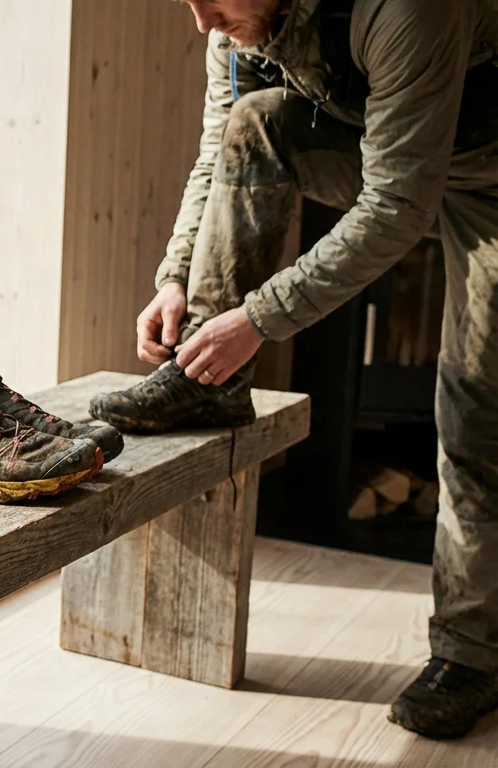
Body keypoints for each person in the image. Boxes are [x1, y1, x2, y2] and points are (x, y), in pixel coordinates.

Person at [87, 0, 498, 740]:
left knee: (477, 418)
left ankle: (473, 658)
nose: (204, 22)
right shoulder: (237, 25)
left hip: (492, 179)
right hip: (394, 154)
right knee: (258, 123)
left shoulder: (405, 9)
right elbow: (223, 146)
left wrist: (259, 320)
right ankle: (207, 386)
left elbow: (399, 204)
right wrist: (178, 275)